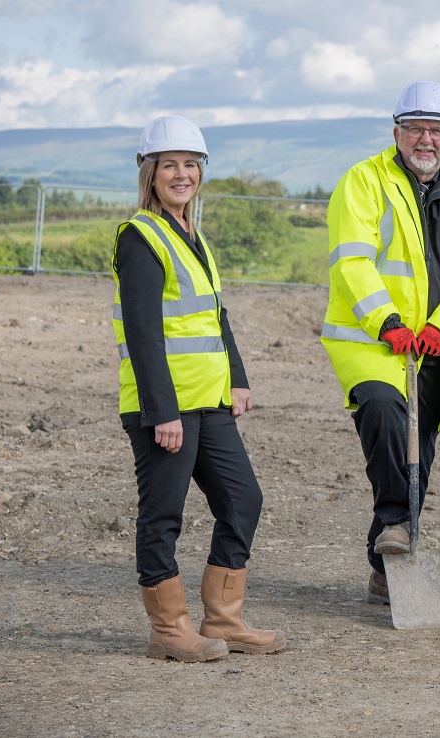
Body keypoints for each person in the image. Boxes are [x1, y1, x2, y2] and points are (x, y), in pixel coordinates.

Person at [321, 81, 440, 605]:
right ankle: (397, 524)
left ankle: (387, 565)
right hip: (372, 341)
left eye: (438, 130)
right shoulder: (364, 181)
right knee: (383, 411)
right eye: (417, 128)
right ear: (397, 131)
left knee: (417, 456)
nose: (427, 139)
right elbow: (352, 259)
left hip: (434, 347)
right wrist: (387, 321)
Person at [112, 115, 285, 661]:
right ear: (150, 174)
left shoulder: (192, 235)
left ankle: (224, 620)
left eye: (191, 164)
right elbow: (143, 334)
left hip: (208, 400)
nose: (181, 174)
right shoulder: (141, 237)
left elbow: (213, 314)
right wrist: (161, 411)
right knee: (163, 513)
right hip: (164, 407)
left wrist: (237, 376)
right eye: (169, 165)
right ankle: (169, 633)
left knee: (243, 499)